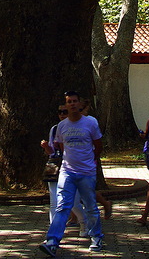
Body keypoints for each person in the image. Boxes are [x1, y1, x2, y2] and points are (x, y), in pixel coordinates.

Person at [38, 91, 105, 256]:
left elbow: (98, 145)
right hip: (67, 172)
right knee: (62, 206)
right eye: (69, 101)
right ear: (66, 105)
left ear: (80, 104)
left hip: (86, 172)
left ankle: (96, 237)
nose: (73, 104)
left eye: (75, 101)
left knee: (90, 207)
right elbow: (60, 148)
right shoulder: (62, 126)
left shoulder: (90, 123)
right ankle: (52, 241)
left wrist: (89, 161)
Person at [40, 104, 86, 233]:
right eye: (59, 112)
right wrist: (45, 147)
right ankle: (54, 231)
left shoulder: (78, 129)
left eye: (65, 112)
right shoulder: (54, 129)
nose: (62, 114)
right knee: (54, 201)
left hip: (72, 167)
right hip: (54, 166)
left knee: (74, 201)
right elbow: (51, 151)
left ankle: (84, 221)